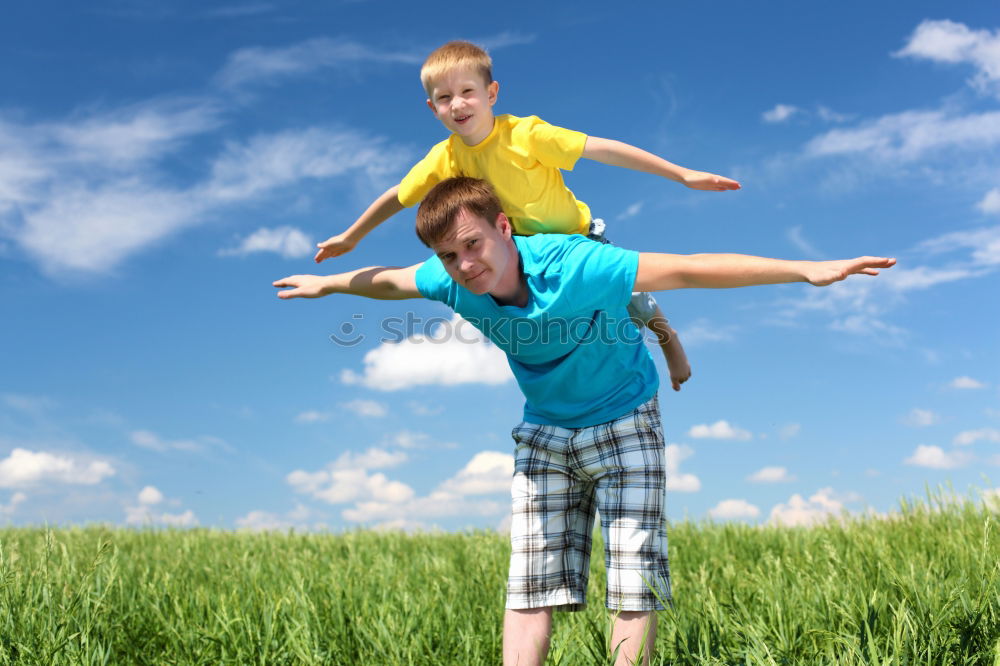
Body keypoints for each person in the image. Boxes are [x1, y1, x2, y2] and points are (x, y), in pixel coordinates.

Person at [275, 177, 895, 666]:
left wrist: (804, 269)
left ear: (504, 227)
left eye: (473, 245)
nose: (463, 264)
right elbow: (387, 282)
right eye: (448, 255)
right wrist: (326, 286)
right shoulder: (449, 279)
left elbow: (689, 267)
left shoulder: (574, 265)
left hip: (625, 413)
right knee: (530, 581)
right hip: (545, 428)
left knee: (631, 572)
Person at [312, 40, 741, 391]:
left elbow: (602, 148)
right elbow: (397, 196)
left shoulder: (526, 135)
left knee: (634, 297)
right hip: (521, 255)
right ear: (433, 109)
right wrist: (351, 237)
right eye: (444, 98)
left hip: (576, 240)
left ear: (491, 94)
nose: (458, 104)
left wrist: (681, 174)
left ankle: (671, 347)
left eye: (467, 92)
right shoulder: (442, 158)